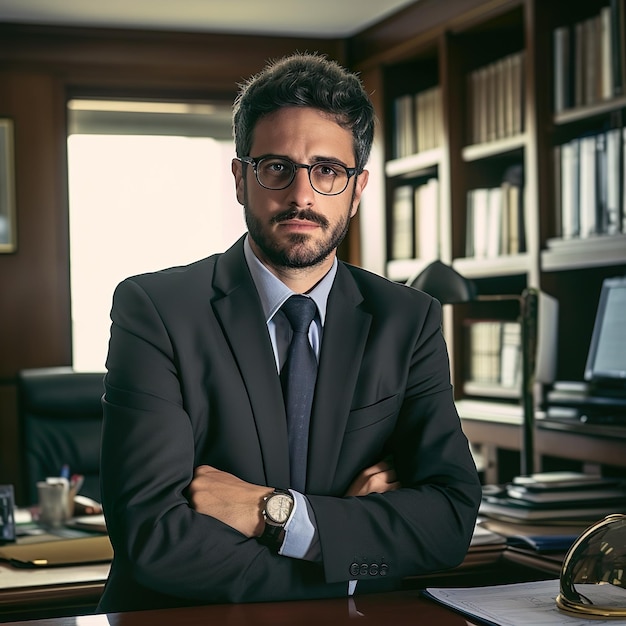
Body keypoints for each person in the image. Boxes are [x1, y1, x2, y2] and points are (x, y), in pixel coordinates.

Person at [98, 52, 482, 613]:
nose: (302, 195)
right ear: (239, 179)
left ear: (357, 188)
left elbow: (447, 522)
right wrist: (344, 555)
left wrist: (278, 514)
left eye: (327, 170)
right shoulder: (155, 309)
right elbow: (154, 536)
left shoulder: (410, 319)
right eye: (277, 167)